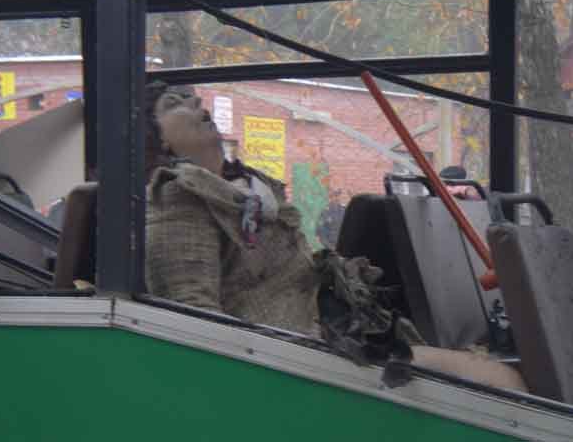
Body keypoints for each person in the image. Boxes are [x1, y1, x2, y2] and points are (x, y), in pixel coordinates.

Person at [144, 83, 527, 392]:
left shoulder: (250, 190)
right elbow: (194, 323)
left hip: (335, 331)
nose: (196, 101)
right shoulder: (178, 198)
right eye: (175, 103)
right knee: (502, 382)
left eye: (192, 95)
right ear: (158, 139)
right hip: (297, 359)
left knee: (504, 373)